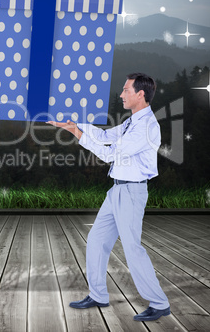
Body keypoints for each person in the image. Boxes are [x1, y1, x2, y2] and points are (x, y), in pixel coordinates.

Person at [46, 73, 170, 322]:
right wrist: (75, 126)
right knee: (96, 241)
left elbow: (110, 154)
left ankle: (159, 303)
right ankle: (98, 295)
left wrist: (78, 134)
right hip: (117, 191)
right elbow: (104, 137)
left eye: (126, 90)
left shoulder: (146, 126)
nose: (122, 94)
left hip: (132, 192)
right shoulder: (131, 122)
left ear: (140, 94)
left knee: (132, 249)